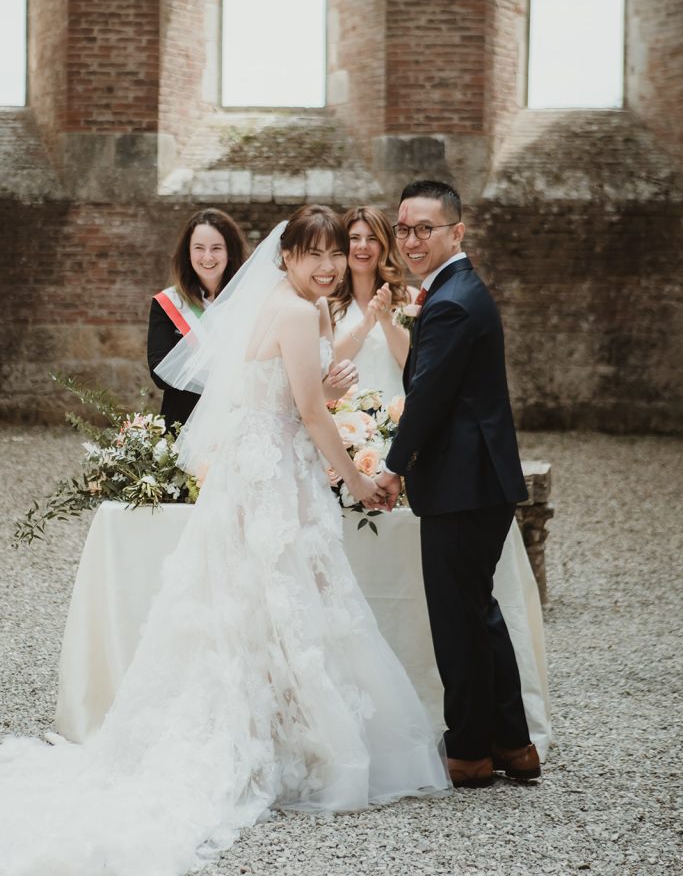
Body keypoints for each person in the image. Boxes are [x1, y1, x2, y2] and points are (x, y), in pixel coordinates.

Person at [0, 206, 449, 876]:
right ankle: (282, 738)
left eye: (335, 255)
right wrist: (359, 484)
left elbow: (281, 389)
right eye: (313, 254)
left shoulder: (283, 302)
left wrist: (323, 383)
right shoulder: (296, 310)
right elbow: (303, 410)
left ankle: (271, 726)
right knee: (283, 594)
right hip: (273, 472)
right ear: (287, 256)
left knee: (263, 599)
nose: (327, 266)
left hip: (261, 465)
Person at [369, 179, 542, 789]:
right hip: (479, 480)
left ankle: (468, 752)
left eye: (425, 229)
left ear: (456, 232)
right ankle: (512, 744)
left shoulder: (449, 301)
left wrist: (390, 469)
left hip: (464, 484)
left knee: (457, 619)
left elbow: (427, 401)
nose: (411, 240)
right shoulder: (454, 290)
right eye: (404, 228)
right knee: (478, 612)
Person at [147, 208, 249, 428]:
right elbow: (160, 373)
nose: (208, 257)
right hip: (184, 421)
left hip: (239, 419)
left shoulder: (249, 300)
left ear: (230, 251)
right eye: (199, 248)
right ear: (188, 253)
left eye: (216, 248)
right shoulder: (168, 303)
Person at [330, 206, 415, 400]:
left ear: (384, 245)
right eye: (354, 238)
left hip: (398, 419)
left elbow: (414, 369)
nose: (363, 246)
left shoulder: (408, 298)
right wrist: (365, 325)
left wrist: (386, 319)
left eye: (372, 238)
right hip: (345, 421)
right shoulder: (326, 302)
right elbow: (325, 369)